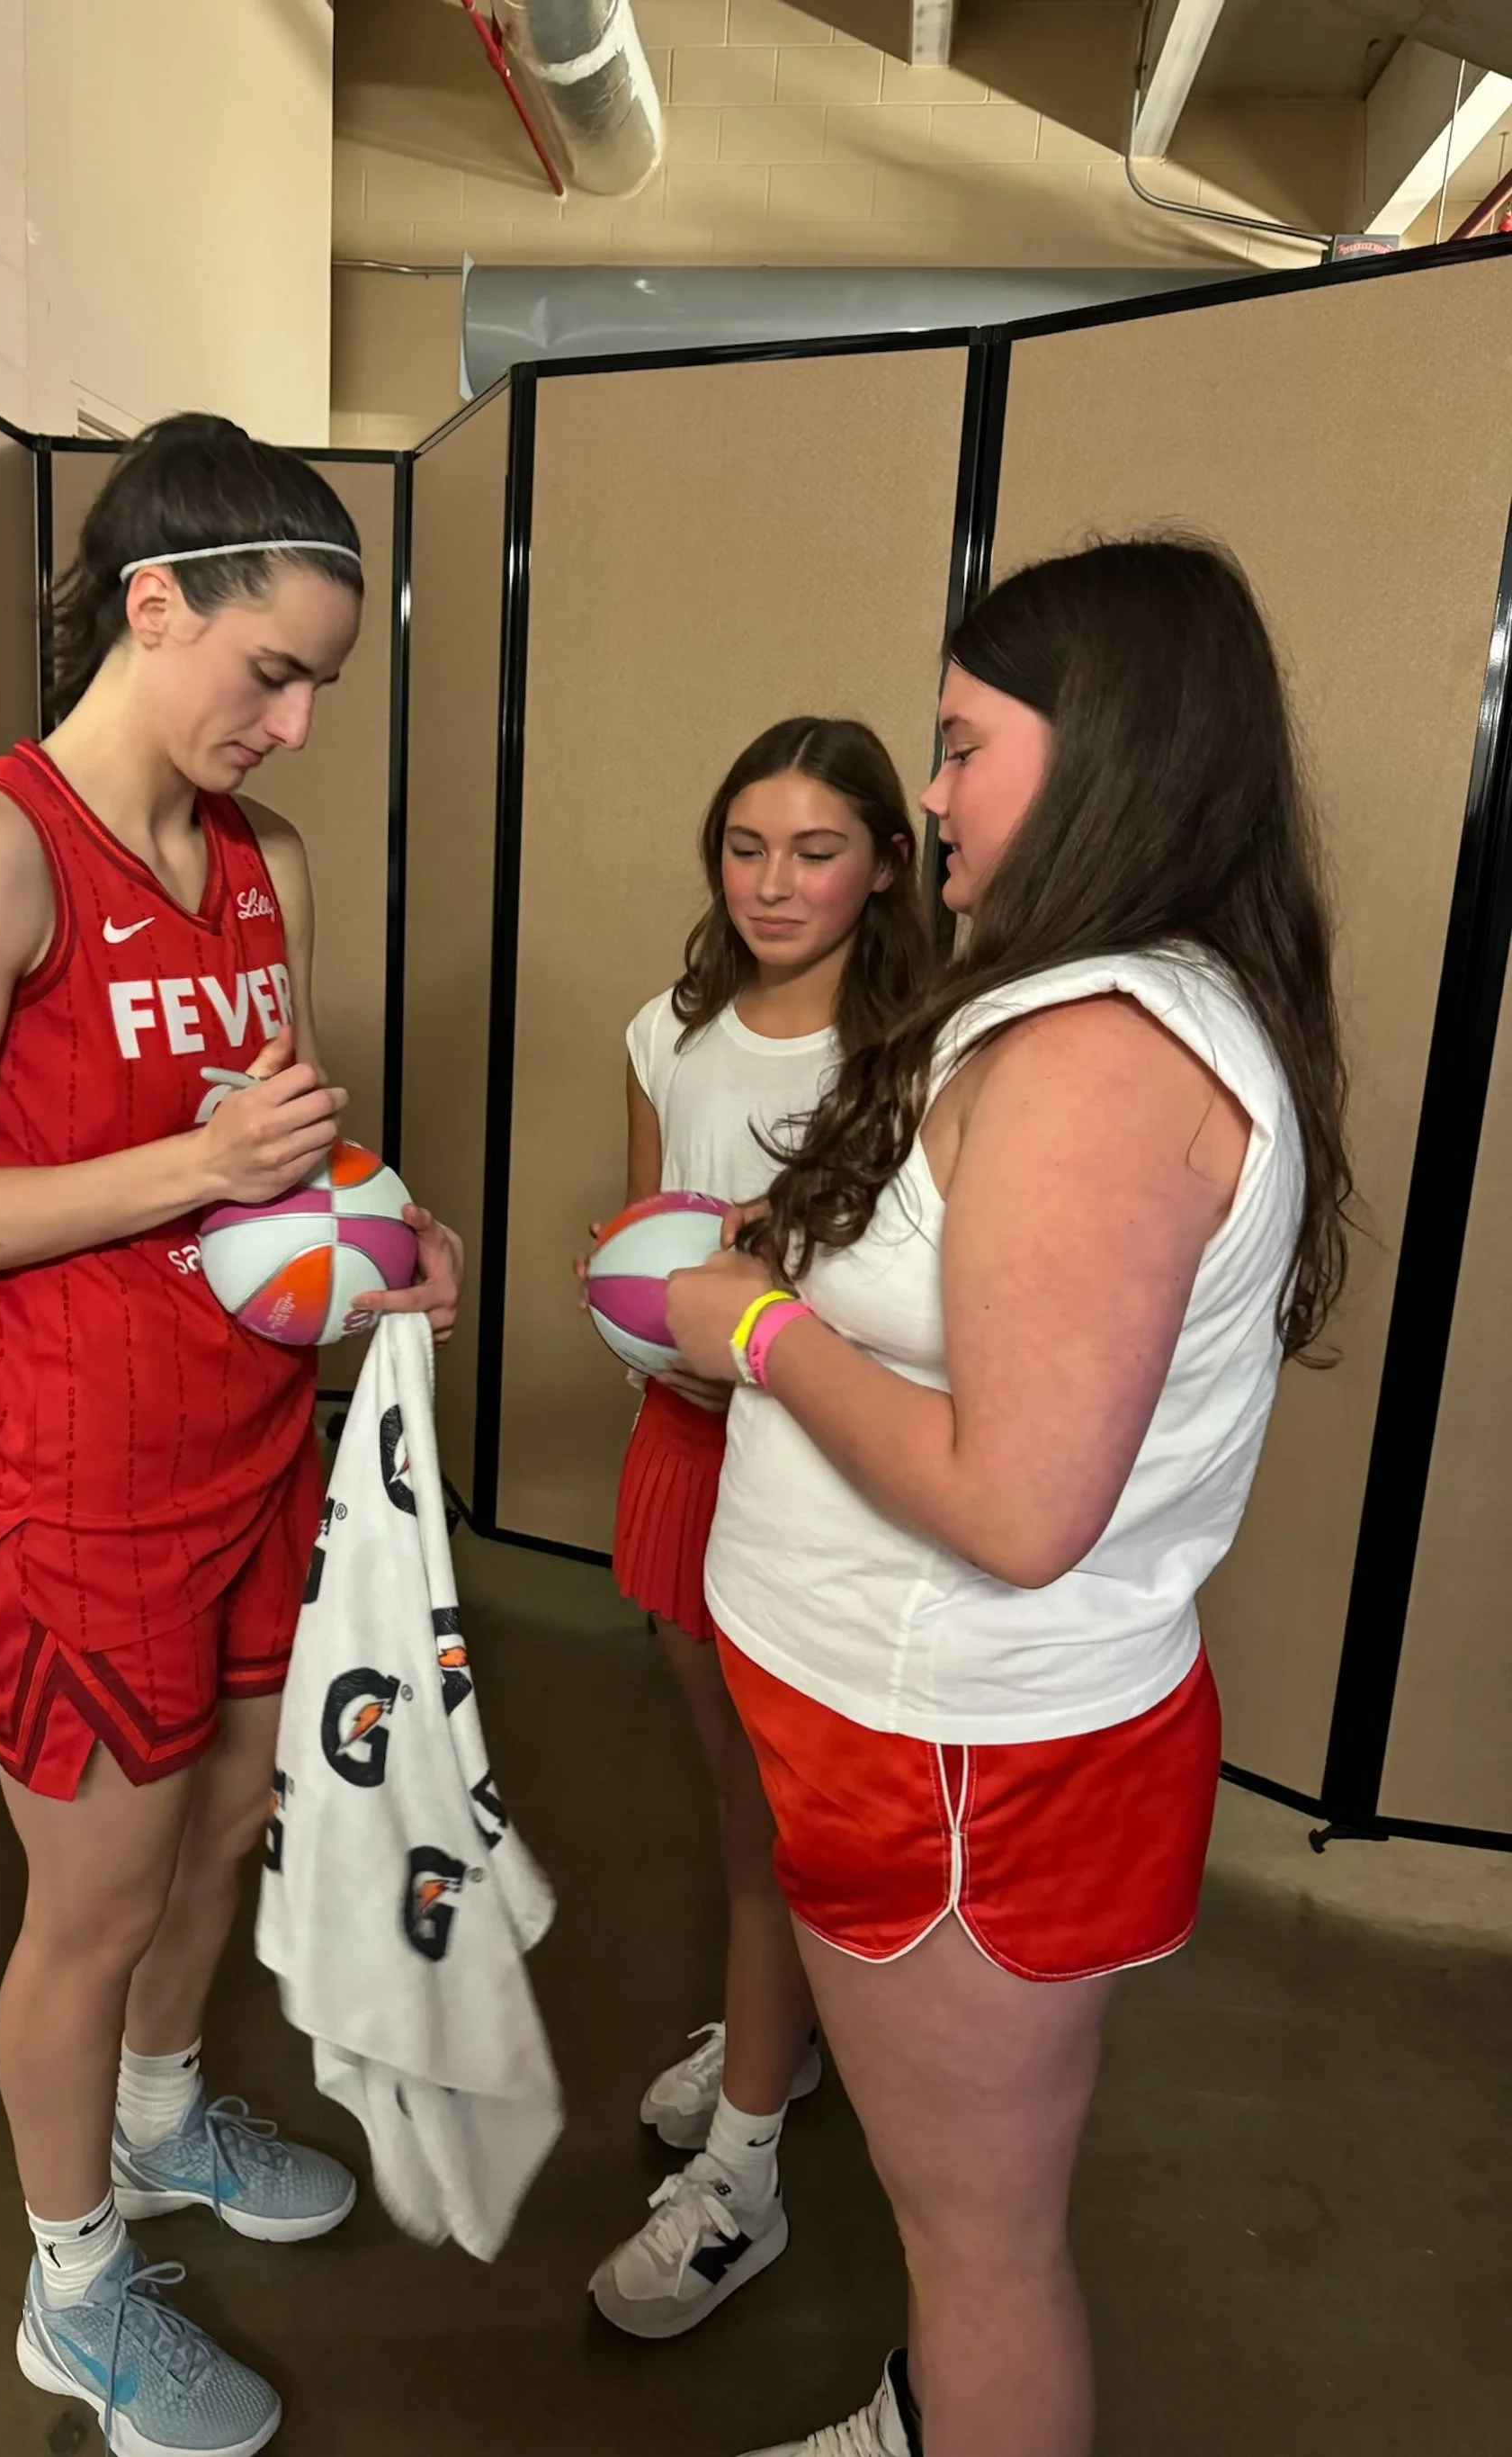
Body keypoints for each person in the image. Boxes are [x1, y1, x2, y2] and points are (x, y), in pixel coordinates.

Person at [666, 538, 1350, 2457]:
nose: (934, 793)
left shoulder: (1098, 1056)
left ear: (1112, 753)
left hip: (957, 1759)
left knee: (978, 2248)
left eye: (965, 747)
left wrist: (756, 1327)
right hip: (905, 1731)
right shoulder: (1086, 1006)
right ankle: (920, 2419)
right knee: (953, 2227)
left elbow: (1023, 1504)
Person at [0, 414, 463, 2457]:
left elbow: (262, 1169)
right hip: (72, 1491)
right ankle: (71, 2286)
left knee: (220, 1836)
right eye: (267, 669)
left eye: (319, 689)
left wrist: (370, 1221)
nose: (289, 724)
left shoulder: (262, 866)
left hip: (255, 1454)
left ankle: (169, 2116)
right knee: (88, 1912)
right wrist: (179, 1164)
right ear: (154, 602)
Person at [582, 719, 931, 2340]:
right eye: (746, 846)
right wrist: (645, 1303)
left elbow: (920, 1304)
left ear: (884, 861)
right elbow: (647, 1255)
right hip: (681, 1451)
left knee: (789, 1821)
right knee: (737, 1806)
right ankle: (766, 2023)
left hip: (820, 1465)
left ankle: (746, 2165)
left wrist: (768, 1336)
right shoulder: (666, 1027)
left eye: (817, 848)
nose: (776, 882)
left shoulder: (920, 1047)